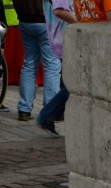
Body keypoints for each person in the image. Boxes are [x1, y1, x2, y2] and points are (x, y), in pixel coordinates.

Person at [13, 0, 61, 121]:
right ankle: (50, 110)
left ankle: (24, 109)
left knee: (29, 63)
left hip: (24, 20)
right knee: (52, 65)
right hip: (44, 20)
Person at [35, 0, 76, 135]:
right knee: (75, 85)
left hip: (64, 38)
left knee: (69, 84)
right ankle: (46, 116)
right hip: (65, 39)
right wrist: (82, 24)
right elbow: (59, 11)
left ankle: (54, 115)